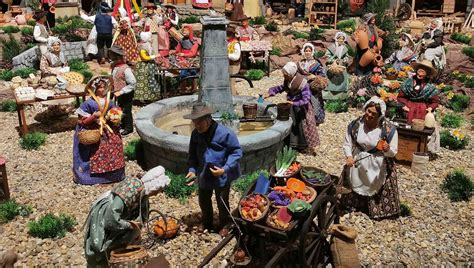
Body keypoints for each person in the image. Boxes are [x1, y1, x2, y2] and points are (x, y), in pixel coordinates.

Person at [83, 166, 170, 266]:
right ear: (153, 185)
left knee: (121, 240)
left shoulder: (143, 193)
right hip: (107, 214)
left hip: (118, 215)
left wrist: (135, 229)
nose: (157, 193)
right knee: (99, 244)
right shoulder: (133, 188)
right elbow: (111, 217)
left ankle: (116, 254)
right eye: (158, 190)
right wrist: (129, 225)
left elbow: (142, 216)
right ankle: (102, 261)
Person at [184, 103, 242, 237]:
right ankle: (207, 222)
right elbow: (192, 155)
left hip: (221, 173)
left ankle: (225, 223)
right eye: (195, 122)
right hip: (204, 173)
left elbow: (236, 152)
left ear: (208, 120)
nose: (197, 125)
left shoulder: (225, 133)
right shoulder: (196, 134)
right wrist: (192, 170)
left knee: (222, 200)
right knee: (203, 199)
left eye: (200, 122)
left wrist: (225, 169)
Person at [341, 96, 400, 219]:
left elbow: (393, 152)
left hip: (378, 163)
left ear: (380, 115)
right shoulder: (355, 125)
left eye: (374, 113)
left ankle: (375, 209)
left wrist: (386, 149)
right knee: (355, 181)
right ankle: (353, 204)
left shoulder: (389, 130)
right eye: (368, 111)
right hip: (358, 160)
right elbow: (348, 143)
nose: (370, 115)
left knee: (373, 184)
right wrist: (349, 156)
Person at [72, 77, 125, 185]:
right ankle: (87, 177)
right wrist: (93, 117)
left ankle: (115, 174)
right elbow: (82, 121)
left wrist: (114, 116)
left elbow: (114, 111)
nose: (102, 89)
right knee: (92, 149)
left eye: (104, 87)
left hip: (107, 128)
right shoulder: (88, 103)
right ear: (94, 88)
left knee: (115, 143)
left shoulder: (109, 101)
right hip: (92, 130)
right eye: (100, 87)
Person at [265, 62, 320, 153]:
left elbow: (306, 99)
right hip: (291, 105)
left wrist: (294, 103)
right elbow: (281, 88)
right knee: (291, 124)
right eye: (284, 74)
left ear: (291, 73)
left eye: (286, 74)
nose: (284, 76)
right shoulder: (288, 80)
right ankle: (291, 144)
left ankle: (302, 146)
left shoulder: (303, 83)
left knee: (300, 126)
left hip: (301, 108)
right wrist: (271, 92)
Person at [397, 60, 439, 124]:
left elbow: (435, 101)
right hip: (408, 108)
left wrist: (430, 108)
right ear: (416, 70)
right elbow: (400, 97)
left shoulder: (430, 87)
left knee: (419, 127)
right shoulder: (407, 83)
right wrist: (403, 105)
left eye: (425, 69)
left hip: (422, 111)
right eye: (420, 68)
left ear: (428, 73)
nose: (421, 72)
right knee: (406, 126)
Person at [109, 46, 136, 136]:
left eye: (112, 55)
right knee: (120, 109)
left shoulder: (125, 69)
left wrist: (121, 91)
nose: (110, 57)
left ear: (117, 56)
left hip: (126, 94)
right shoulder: (115, 67)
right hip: (118, 93)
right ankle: (122, 124)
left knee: (126, 110)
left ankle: (128, 128)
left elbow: (132, 83)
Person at [297, 42, 326, 125]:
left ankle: (315, 119)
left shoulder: (316, 64)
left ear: (312, 52)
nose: (308, 52)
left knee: (314, 102)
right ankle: (304, 119)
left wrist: (314, 77)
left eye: (309, 51)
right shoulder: (300, 63)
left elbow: (322, 75)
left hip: (313, 87)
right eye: (306, 51)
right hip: (303, 86)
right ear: (303, 52)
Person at [324, 31, 351, 101]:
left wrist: (343, 60)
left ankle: (341, 97)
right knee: (330, 80)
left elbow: (347, 57)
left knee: (342, 80)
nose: (341, 40)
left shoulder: (345, 48)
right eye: (340, 38)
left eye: (342, 39)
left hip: (341, 67)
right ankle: (329, 97)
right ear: (337, 39)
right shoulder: (331, 47)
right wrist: (333, 60)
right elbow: (327, 56)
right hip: (332, 66)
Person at [135, 32, 161, 103]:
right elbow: (144, 58)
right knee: (145, 82)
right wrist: (155, 56)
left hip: (149, 65)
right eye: (150, 38)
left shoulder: (148, 45)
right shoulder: (143, 47)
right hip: (143, 66)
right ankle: (143, 98)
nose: (152, 39)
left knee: (151, 81)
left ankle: (151, 97)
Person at [227, 26, 241, 95]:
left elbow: (236, 56)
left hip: (234, 65)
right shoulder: (228, 42)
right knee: (228, 82)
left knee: (231, 82)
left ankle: (234, 97)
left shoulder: (235, 44)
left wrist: (227, 55)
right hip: (229, 64)